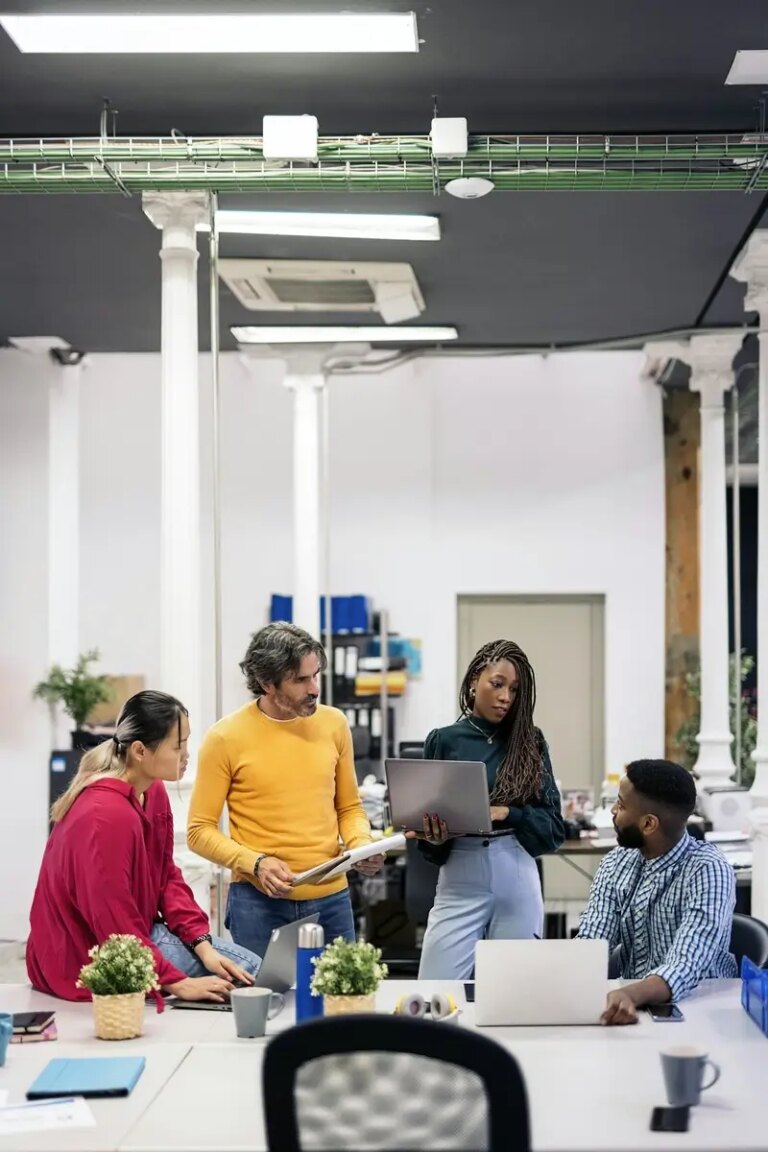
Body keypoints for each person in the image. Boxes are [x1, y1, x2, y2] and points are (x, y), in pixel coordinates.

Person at [27, 691, 261, 1003]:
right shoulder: (105, 814)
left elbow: (165, 875)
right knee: (248, 976)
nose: (187, 754)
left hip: (134, 933)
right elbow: (112, 920)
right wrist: (178, 983)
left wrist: (202, 944)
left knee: (247, 972)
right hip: (85, 952)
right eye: (178, 746)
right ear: (140, 750)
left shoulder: (154, 791)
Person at [188, 622, 384, 960]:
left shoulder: (334, 724)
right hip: (258, 903)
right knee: (266, 1007)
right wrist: (255, 862)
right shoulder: (224, 738)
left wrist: (361, 846)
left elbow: (349, 808)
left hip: (332, 899)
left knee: (342, 1006)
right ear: (266, 683)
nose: (314, 688)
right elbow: (198, 830)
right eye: (301, 680)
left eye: (316, 675)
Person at [411, 639, 564, 979]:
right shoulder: (444, 740)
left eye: (514, 689)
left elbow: (554, 830)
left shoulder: (530, 742)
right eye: (497, 684)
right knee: (434, 991)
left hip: (516, 872)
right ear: (473, 682)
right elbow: (432, 849)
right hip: (460, 875)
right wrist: (434, 837)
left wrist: (507, 812)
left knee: (513, 996)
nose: (506, 697)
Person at [577, 759, 738, 1026]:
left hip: (704, 1012)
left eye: (621, 804)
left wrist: (629, 993)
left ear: (649, 824)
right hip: (631, 1009)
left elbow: (686, 964)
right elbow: (593, 943)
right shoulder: (616, 862)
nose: (613, 812)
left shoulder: (708, 869)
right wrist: (557, 977)